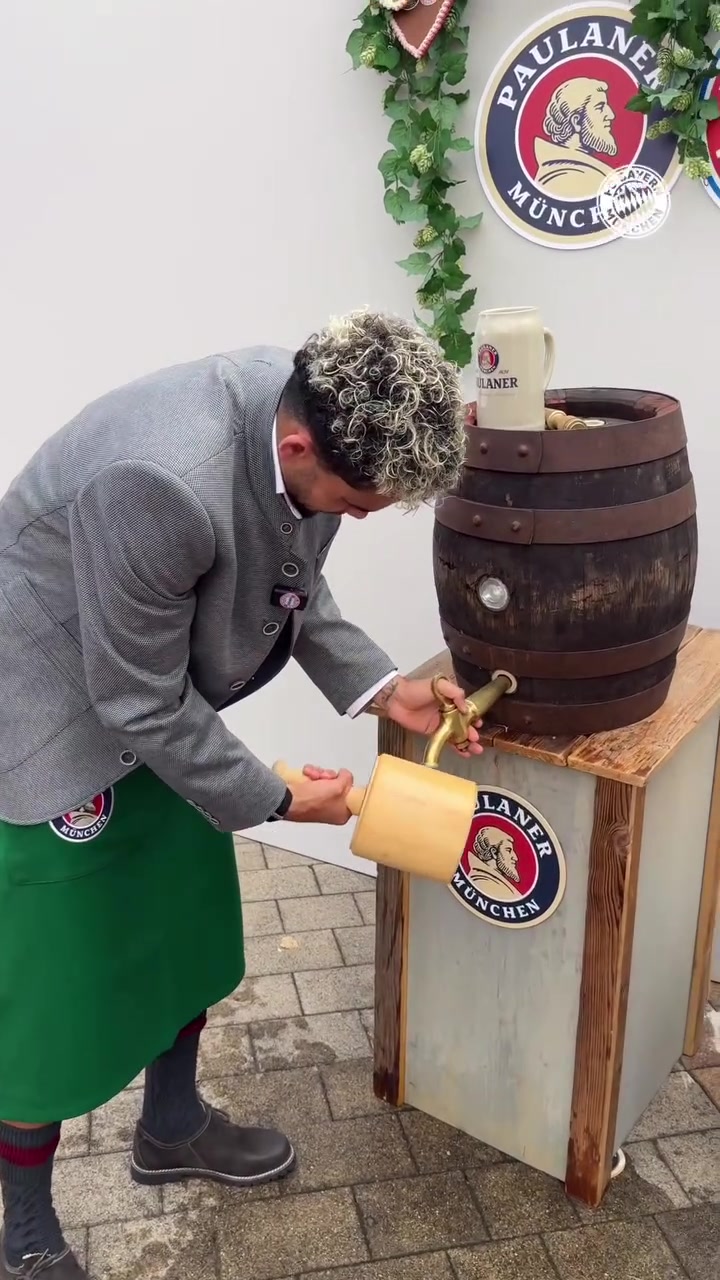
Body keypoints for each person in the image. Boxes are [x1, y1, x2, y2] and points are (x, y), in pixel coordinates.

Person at [0, 308, 483, 1279]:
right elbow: (134, 699)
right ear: (298, 446)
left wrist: (384, 688)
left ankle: (172, 1125)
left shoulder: (295, 403)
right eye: (356, 503)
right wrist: (276, 799)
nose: (358, 519)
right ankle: (26, 1230)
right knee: (50, 998)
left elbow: (292, 575)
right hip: (51, 718)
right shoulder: (158, 479)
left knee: (187, 932)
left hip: (156, 701)